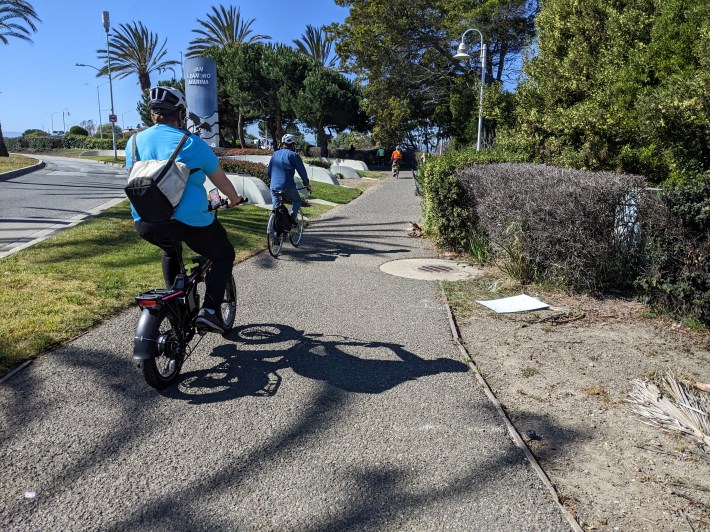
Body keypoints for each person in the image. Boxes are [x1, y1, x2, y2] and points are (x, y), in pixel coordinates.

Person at [126, 86, 243, 334]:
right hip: (189, 221)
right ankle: (210, 311)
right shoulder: (192, 143)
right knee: (223, 255)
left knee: (170, 249)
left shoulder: (134, 141)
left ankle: (176, 305)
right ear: (181, 113)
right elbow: (221, 181)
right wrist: (233, 199)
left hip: (146, 220)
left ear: (153, 113)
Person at [268, 134, 312, 225]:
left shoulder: (275, 154)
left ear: (282, 144)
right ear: (292, 145)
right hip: (287, 186)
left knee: (276, 208)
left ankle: (275, 229)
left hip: (274, 186)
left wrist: (274, 182)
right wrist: (306, 184)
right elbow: (302, 171)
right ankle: (292, 215)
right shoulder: (294, 155)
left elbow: (269, 171)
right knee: (297, 201)